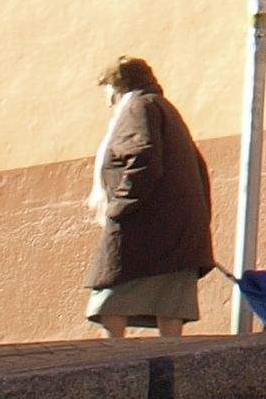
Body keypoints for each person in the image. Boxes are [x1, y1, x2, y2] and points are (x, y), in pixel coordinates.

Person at [86, 57, 216, 338]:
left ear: (117, 85)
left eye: (107, 89)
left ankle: (114, 364)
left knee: (110, 302)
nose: (107, 99)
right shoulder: (164, 109)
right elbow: (198, 168)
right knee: (170, 307)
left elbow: (142, 157)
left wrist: (118, 206)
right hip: (178, 232)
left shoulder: (137, 108)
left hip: (145, 229)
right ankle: (170, 369)